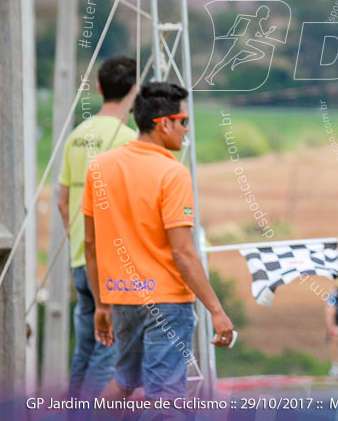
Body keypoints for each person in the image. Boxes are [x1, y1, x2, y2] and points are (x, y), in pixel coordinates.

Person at [82, 82, 234, 403]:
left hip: (121, 297)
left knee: (123, 385)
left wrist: (101, 304)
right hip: (166, 302)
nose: (185, 130)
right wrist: (216, 312)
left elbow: (91, 245)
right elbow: (182, 252)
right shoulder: (172, 173)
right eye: (184, 122)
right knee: (166, 399)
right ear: (164, 123)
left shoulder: (99, 168)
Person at [58, 55, 137, 399]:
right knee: (110, 351)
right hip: (111, 263)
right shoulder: (129, 139)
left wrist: (78, 237)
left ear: (101, 88)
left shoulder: (76, 134)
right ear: (135, 92)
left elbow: (63, 202)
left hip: (80, 256)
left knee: (85, 348)